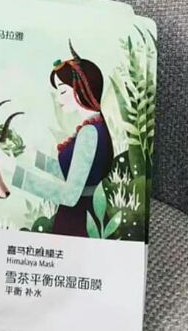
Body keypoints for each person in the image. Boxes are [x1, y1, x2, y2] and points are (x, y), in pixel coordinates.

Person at [11, 42, 113, 237]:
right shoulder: (98, 126)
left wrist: (14, 173)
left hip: (77, 219)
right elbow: (74, 173)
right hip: (87, 213)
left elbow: (70, 195)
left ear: (82, 89)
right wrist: (34, 157)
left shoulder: (89, 133)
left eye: (63, 91)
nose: (58, 98)